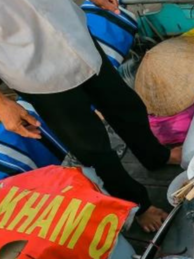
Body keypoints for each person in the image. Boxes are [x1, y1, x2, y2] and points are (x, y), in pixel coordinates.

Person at [0, 0, 180, 232]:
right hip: (34, 70)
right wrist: (3, 105)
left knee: (126, 106)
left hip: (75, 37)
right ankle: (139, 205)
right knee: (90, 145)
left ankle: (156, 155)